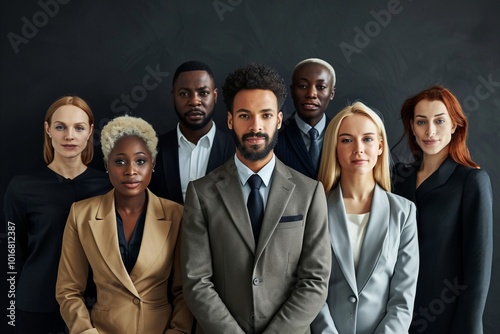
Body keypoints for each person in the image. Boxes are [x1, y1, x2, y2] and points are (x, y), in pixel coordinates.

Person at [181, 63, 331, 334]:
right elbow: (196, 282)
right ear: (230, 120)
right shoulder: (201, 193)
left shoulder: (309, 192)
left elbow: (315, 280)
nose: (256, 126)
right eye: (244, 115)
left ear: (278, 120)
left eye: (265, 115)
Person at [56, 115, 192, 333]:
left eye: (140, 161)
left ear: (153, 164)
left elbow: (185, 291)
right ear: (106, 165)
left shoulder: (176, 215)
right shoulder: (80, 214)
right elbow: (68, 290)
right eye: (120, 161)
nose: (131, 171)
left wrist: (177, 331)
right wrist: (85, 331)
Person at [3, 95, 111, 334]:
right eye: (60, 127)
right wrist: (9, 318)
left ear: (90, 131)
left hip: (94, 308)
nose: (69, 136)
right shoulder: (22, 188)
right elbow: (12, 258)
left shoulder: (108, 187)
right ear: (48, 130)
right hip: (36, 309)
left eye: (79, 128)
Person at [311, 101, 419, 334]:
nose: (358, 149)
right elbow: (310, 289)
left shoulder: (404, 212)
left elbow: (402, 300)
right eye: (347, 140)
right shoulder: (314, 209)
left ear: (380, 146)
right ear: (334, 148)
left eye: (367, 139)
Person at [392, 85, 493, 334]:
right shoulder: (398, 178)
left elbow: (477, 272)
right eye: (421, 122)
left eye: (439, 121)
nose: (430, 131)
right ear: (412, 127)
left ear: (454, 125)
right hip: (394, 316)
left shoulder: (471, 181)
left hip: (446, 320)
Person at [149, 60, 235, 204]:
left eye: (203, 93)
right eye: (184, 93)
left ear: (215, 96)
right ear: (173, 97)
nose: (194, 101)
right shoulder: (153, 149)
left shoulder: (236, 151)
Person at [274, 57, 336, 179]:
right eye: (303, 86)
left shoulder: (342, 135)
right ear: (292, 91)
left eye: (321, 87)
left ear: (332, 93)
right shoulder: (275, 138)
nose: (311, 94)